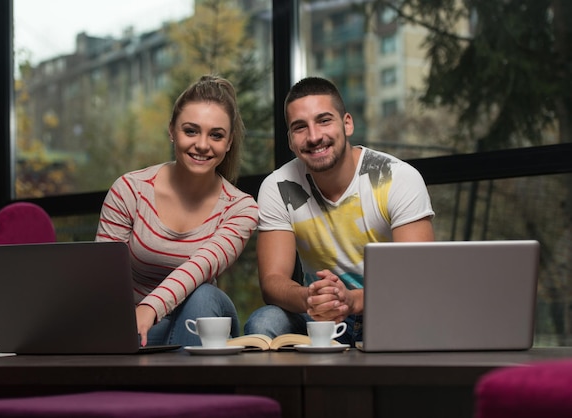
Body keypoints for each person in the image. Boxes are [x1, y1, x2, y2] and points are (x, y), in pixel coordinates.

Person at [244, 77, 435, 346]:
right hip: (318, 318)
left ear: (347, 123)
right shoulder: (279, 186)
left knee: (421, 320)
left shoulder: (395, 178)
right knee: (264, 322)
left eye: (324, 120)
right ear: (290, 140)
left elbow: (418, 280)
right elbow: (272, 281)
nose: (314, 136)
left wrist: (352, 300)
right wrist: (310, 297)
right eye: (300, 127)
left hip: (388, 311)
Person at [96, 75, 259, 347]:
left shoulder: (240, 208)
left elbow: (199, 267)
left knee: (203, 294)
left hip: (202, 323)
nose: (203, 145)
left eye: (216, 135)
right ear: (171, 130)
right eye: (191, 131)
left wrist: (150, 308)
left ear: (229, 142)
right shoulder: (130, 190)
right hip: (136, 328)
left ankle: (185, 388)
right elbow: (104, 279)